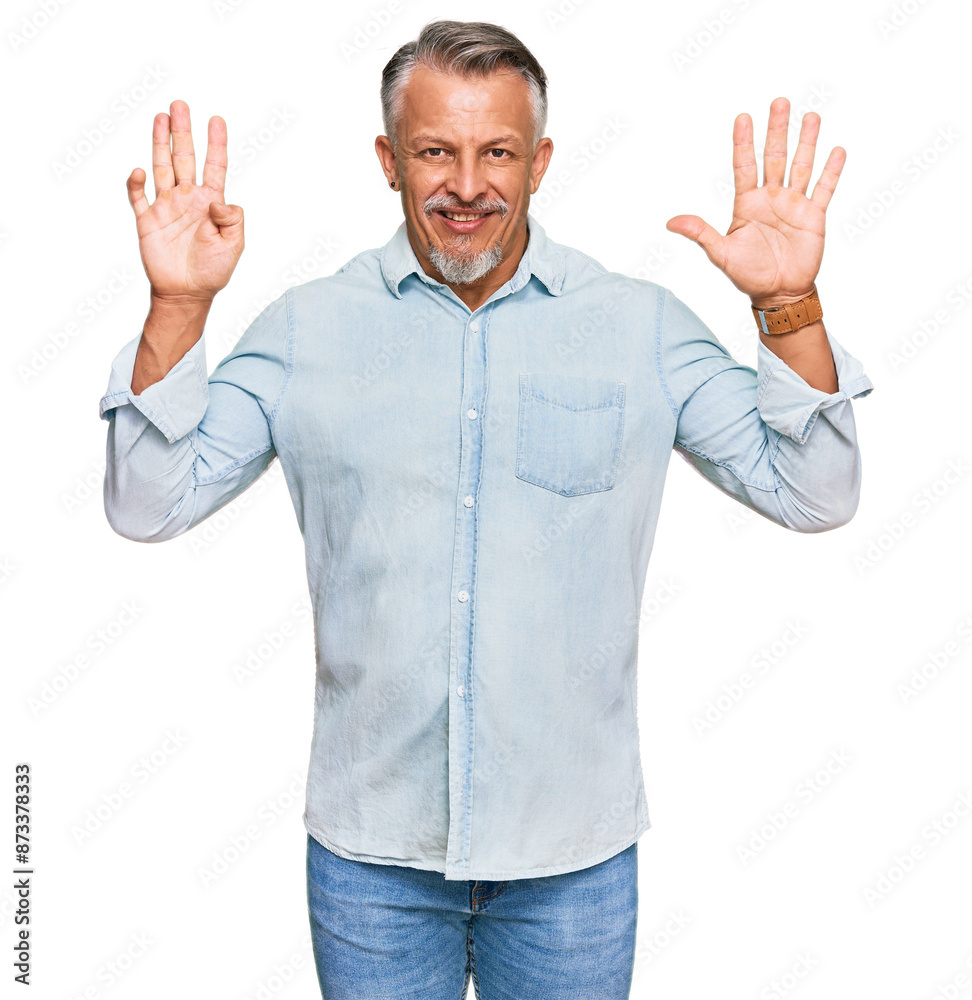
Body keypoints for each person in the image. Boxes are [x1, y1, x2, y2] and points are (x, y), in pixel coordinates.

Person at [98, 18, 872, 1000]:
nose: (467, 184)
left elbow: (816, 491)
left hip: (573, 860)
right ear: (389, 160)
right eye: (435, 151)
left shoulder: (637, 327)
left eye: (497, 152)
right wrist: (178, 309)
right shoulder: (305, 330)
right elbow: (147, 504)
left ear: (539, 163)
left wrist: (788, 306)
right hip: (372, 862)